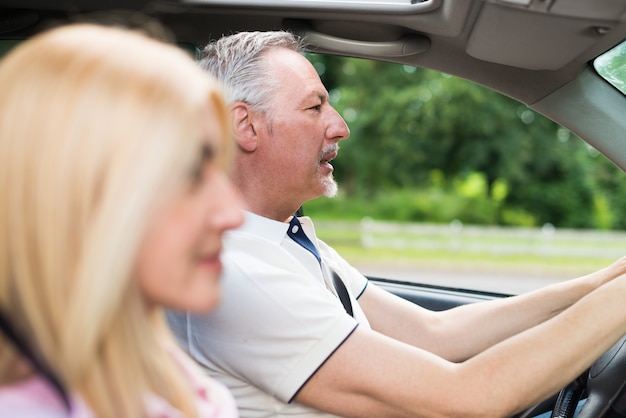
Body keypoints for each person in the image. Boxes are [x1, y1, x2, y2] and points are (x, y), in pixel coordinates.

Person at [166, 30, 626, 417]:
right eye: (314, 108)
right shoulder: (239, 274)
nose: (340, 126)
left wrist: (605, 281)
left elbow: (435, 335)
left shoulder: (285, 240)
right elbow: (465, 397)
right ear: (245, 126)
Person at [0, 23, 244, 417]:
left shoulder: (172, 382)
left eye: (220, 169)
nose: (232, 214)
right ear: (73, 194)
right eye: (189, 173)